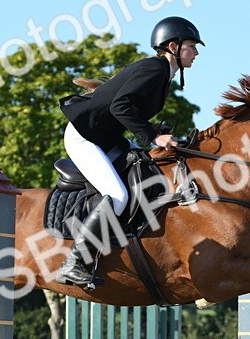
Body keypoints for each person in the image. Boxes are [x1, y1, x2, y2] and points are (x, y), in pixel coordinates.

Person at [55, 16, 203, 287]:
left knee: (147, 168)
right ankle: (73, 262)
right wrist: (152, 137)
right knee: (118, 195)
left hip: (106, 137)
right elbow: (120, 107)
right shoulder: (156, 69)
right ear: (173, 46)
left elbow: (126, 108)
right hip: (85, 137)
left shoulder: (161, 72)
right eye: (191, 46)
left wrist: (152, 130)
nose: (196, 53)